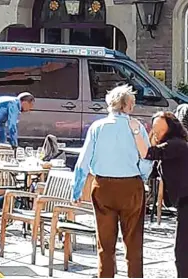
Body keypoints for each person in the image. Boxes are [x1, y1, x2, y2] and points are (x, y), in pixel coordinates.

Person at [72, 84, 153, 278]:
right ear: (127, 105)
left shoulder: (97, 127)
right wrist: (141, 178)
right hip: (131, 186)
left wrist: (76, 190)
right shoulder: (137, 127)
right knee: (133, 241)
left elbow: (83, 161)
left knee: (105, 243)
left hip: (103, 186)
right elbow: (147, 158)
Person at [129, 111, 188, 278]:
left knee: (182, 251)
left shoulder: (176, 144)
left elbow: (148, 153)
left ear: (171, 128)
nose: (155, 132)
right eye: (154, 129)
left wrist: (135, 132)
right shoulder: (171, 145)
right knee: (183, 249)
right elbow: (152, 171)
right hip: (183, 201)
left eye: (159, 129)